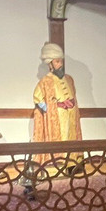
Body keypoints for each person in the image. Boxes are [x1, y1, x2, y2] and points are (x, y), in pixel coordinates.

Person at [32, 42, 82, 173]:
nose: (60, 64)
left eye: (61, 61)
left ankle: (72, 164)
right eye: (57, 62)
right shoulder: (45, 81)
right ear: (50, 64)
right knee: (61, 139)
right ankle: (59, 166)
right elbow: (37, 97)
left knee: (72, 138)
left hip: (71, 114)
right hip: (57, 116)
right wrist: (49, 110)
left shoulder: (69, 79)